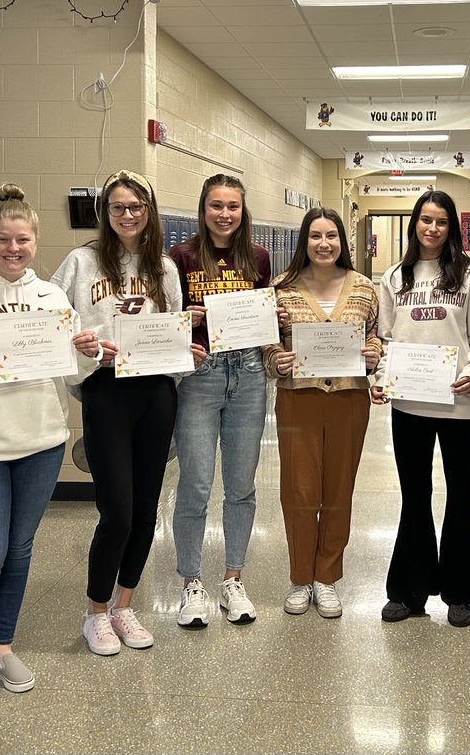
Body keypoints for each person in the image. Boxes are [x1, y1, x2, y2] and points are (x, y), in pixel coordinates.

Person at [0, 185, 103, 698]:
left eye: (23, 240)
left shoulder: (52, 296)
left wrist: (88, 350)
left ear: (35, 242)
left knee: (19, 550)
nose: (13, 248)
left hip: (41, 440)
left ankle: (2, 648)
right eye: (3, 239)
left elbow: (72, 368)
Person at [52, 170, 201, 656]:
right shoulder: (81, 262)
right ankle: (96, 611)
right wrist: (85, 347)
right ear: (105, 212)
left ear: (149, 210)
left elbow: (174, 327)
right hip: (106, 391)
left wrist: (186, 354)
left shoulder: (163, 266)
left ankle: (124, 604)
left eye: (136, 206)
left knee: (143, 509)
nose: (128, 215)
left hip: (156, 392)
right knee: (115, 511)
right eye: (118, 207)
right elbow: (57, 325)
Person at [371, 190, 470, 628]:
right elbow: (385, 341)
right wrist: (382, 379)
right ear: (414, 224)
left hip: (460, 402)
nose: (432, 228)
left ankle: (462, 594)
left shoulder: (469, 274)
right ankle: (409, 590)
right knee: (414, 496)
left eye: (441, 221)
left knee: (462, 495)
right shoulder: (394, 277)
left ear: (452, 227)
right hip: (410, 404)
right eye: (425, 220)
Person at [262, 208, 382, 618]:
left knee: (337, 490)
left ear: (342, 242)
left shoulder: (364, 287)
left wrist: (374, 354)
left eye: (331, 236)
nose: (324, 244)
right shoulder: (281, 288)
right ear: (304, 241)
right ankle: (300, 577)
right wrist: (276, 359)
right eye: (315, 236)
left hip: (349, 399)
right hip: (299, 397)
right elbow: (267, 343)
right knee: (299, 492)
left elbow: (375, 336)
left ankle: (326, 577)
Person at [169, 173, 277, 627]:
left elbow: (262, 317)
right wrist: (182, 319)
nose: (225, 214)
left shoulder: (258, 256)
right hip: (201, 374)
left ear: (243, 211)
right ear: (203, 209)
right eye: (217, 205)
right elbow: (163, 319)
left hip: (249, 374)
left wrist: (275, 313)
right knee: (194, 483)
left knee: (241, 484)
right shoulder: (181, 256)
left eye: (233, 206)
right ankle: (191, 582)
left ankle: (233, 578)